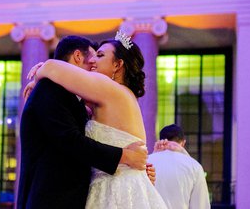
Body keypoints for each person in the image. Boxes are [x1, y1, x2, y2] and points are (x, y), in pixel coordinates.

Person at [31, 31, 167, 208]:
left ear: (118, 65)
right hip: (124, 185)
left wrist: (40, 72)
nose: (93, 60)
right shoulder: (117, 95)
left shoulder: (108, 88)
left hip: (116, 189)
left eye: (100, 55)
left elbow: (51, 67)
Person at [148, 124, 210, 209]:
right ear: (183, 143)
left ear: (160, 140)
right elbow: (200, 205)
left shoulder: (147, 162)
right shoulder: (194, 166)